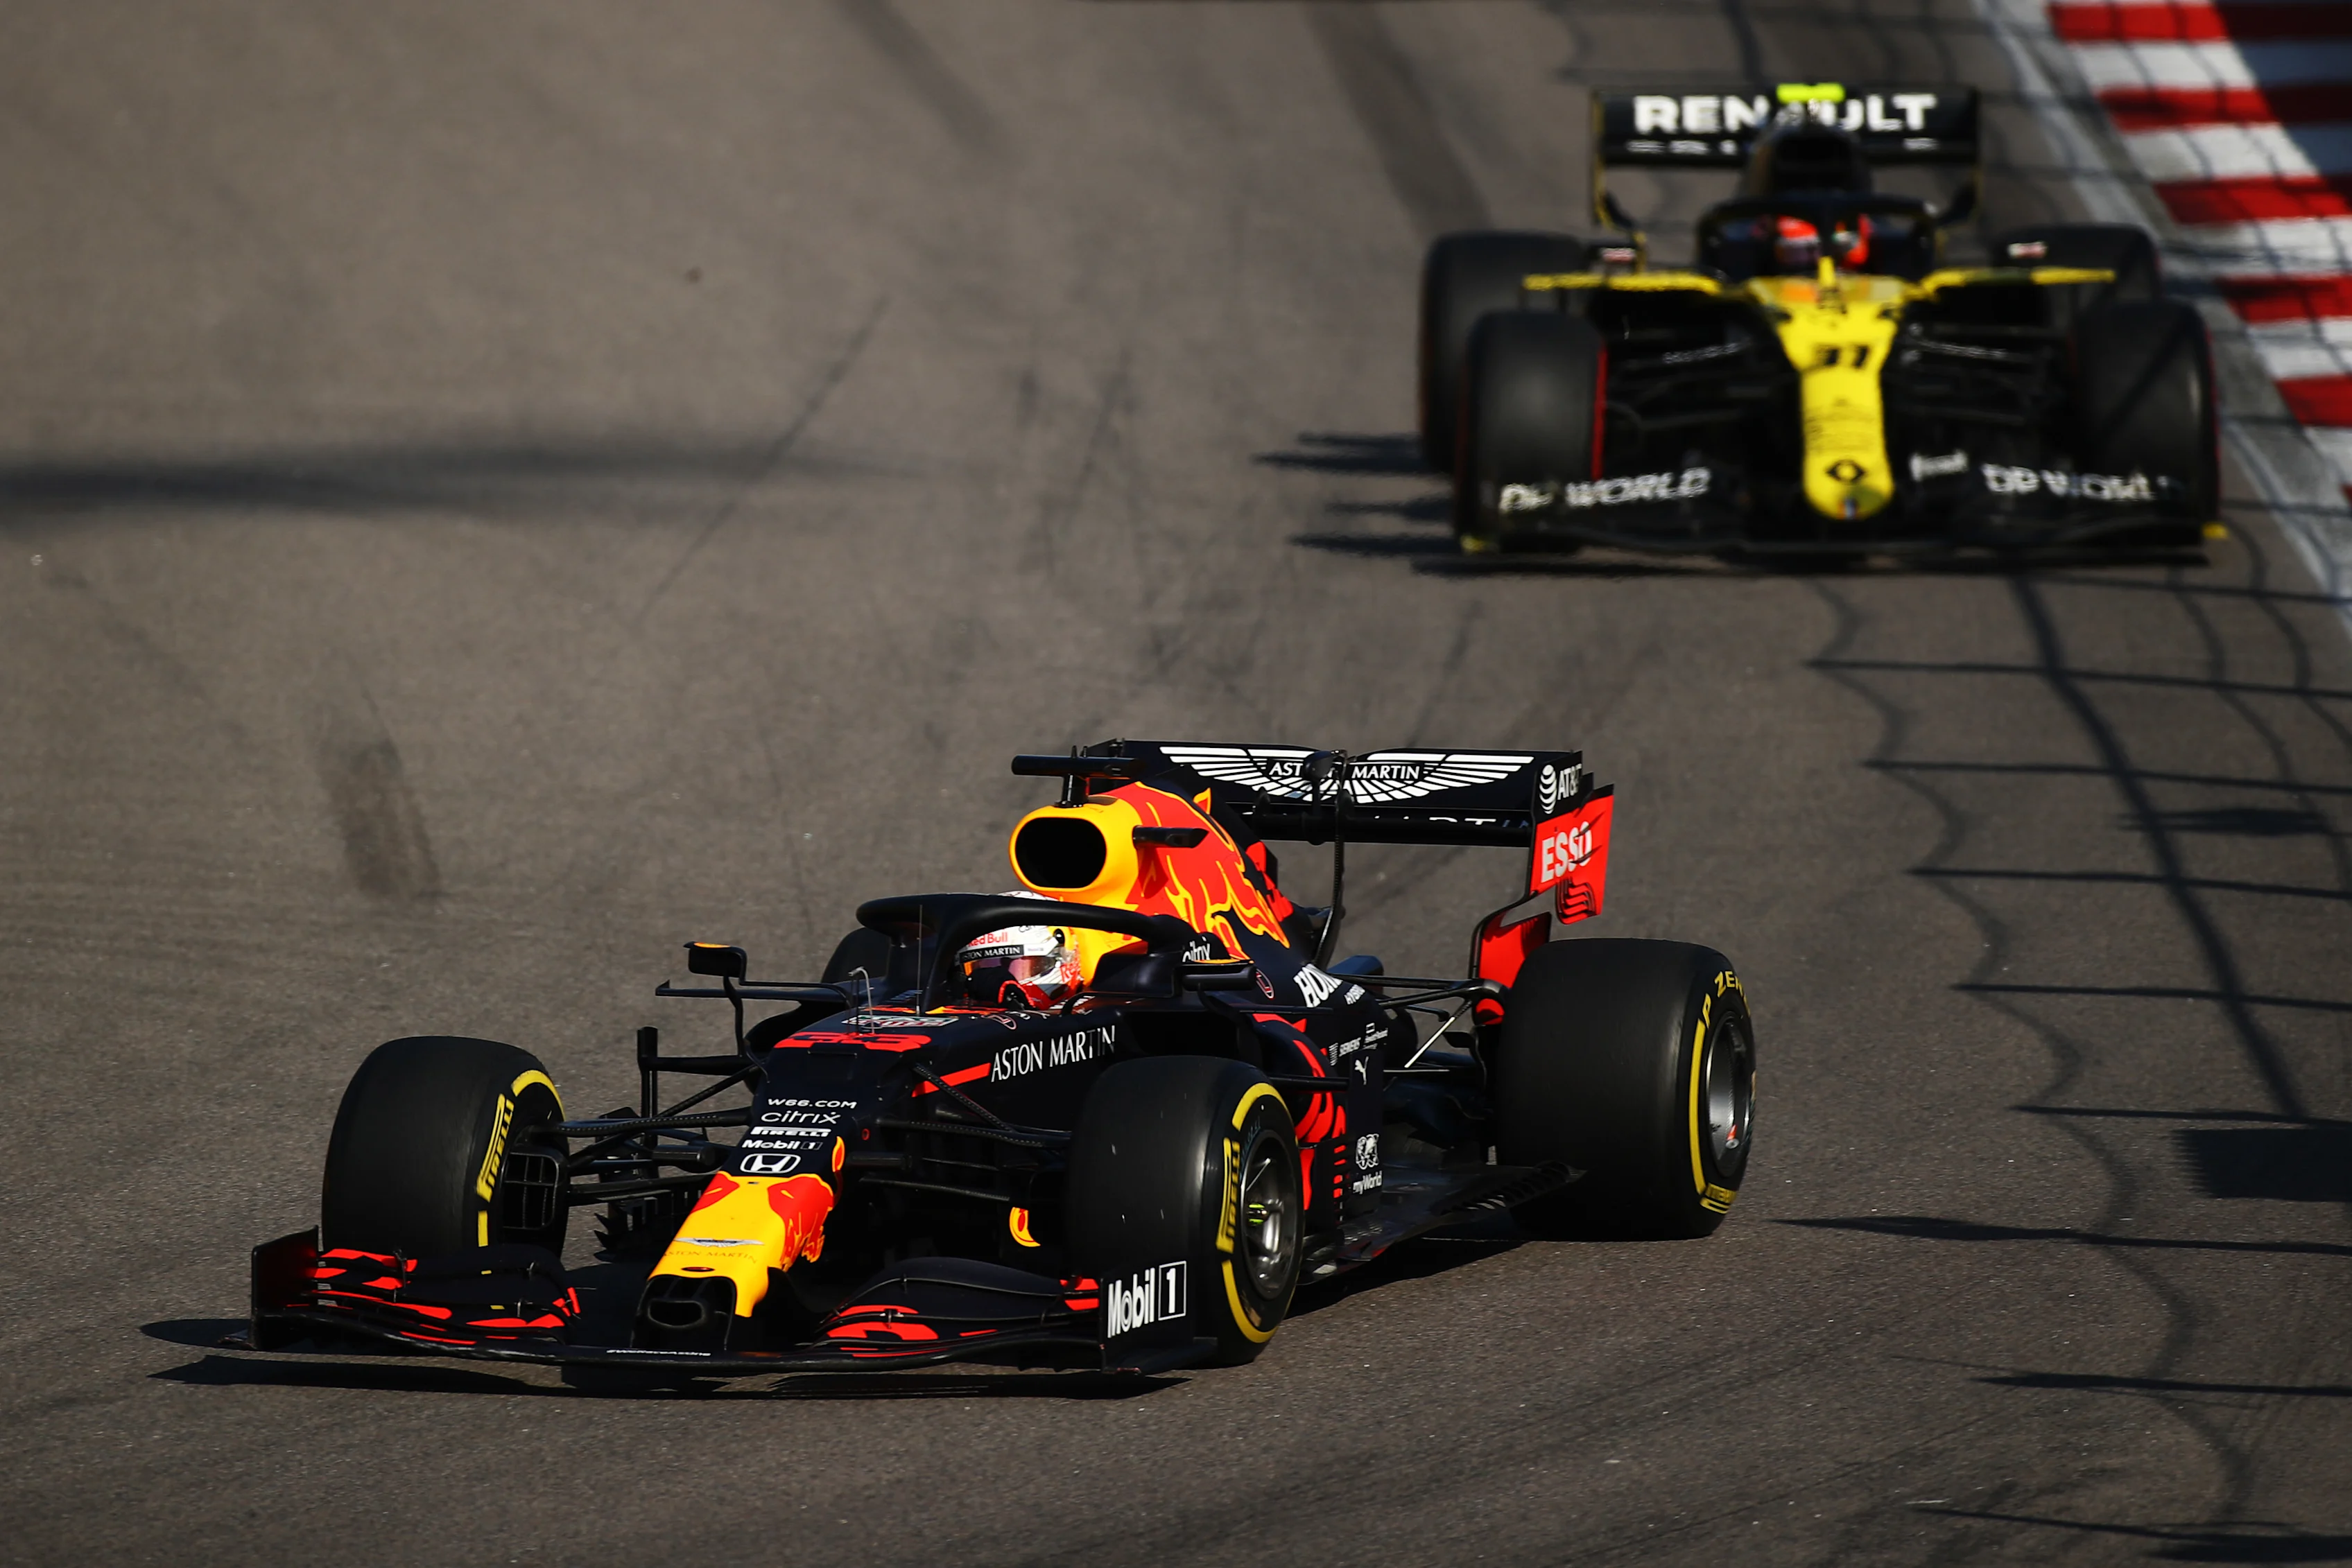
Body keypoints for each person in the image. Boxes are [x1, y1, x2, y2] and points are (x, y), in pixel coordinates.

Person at [954, 893, 1083, 1007]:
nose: (998, 984)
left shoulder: (1097, 1009)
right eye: (983, 968)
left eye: (1017, 966)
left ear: (1062, 957)